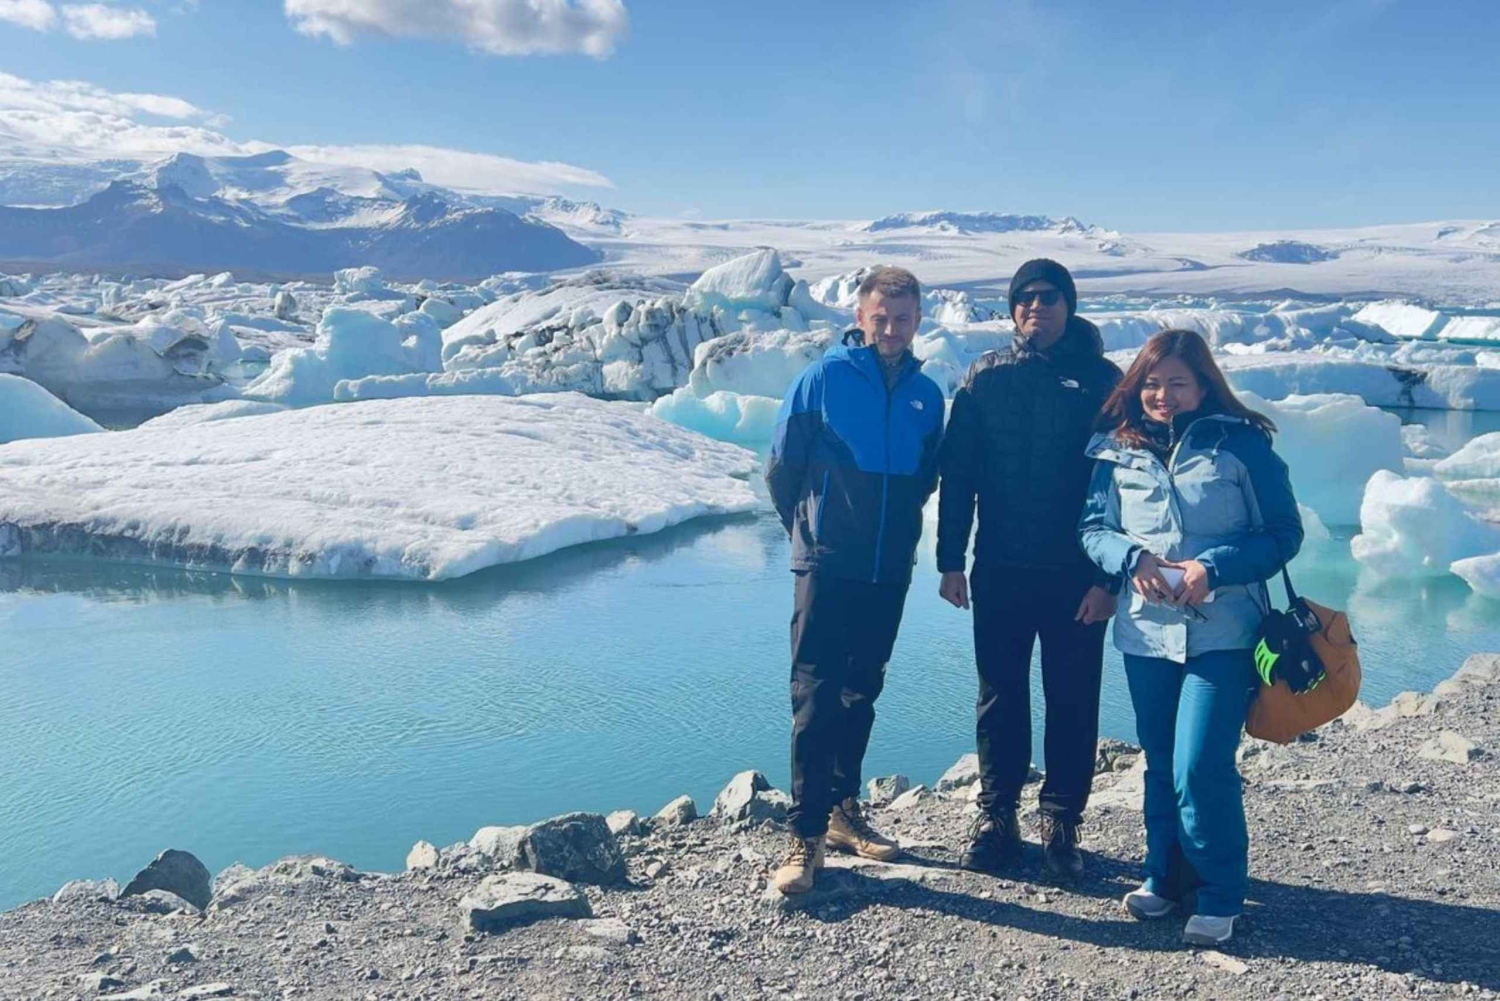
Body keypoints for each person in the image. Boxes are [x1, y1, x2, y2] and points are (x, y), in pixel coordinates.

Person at [1078, 328, 1303, 946]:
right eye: (1152, 383)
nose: (1163, 395)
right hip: (1147, 634)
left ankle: (1221, 892)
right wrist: (1131, 558)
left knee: (1200, 764)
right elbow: (1094, 528)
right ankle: (1163, 876)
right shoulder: (1115, 449)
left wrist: (1214, 568)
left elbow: (1283, 532)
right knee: (1159, 762)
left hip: (1226, 633)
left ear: (1203, 384)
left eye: (1177, 382)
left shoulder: (1241, 444)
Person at [937, 258, 1123, 879]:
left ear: (1069, 306)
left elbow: (1125, 483)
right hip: (1000, 567)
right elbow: (957, 473)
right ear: (1012, 309)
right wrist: (949, 560)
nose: (1036, 307)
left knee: (1073, 698)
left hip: (1077, 573)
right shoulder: (986, 377)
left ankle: (1062, 819)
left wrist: (1110, 580)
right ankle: (998, 817)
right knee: (1000, 696)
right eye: (1025, 298)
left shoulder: (1104, 382)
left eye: (1049, 297)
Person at [764, 265, 946, 895]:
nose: (890, 329)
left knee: (860, 691)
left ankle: (843, 813)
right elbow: (782, 467)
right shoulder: (824, 379)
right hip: (827, 562)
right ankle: (805, 835)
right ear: (861, 317)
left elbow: (925, 480)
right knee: (815, 694)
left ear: (917, 320)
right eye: (880, 318)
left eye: (902, 319)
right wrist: (809, 535)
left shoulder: (928, 395)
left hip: (888, 568)